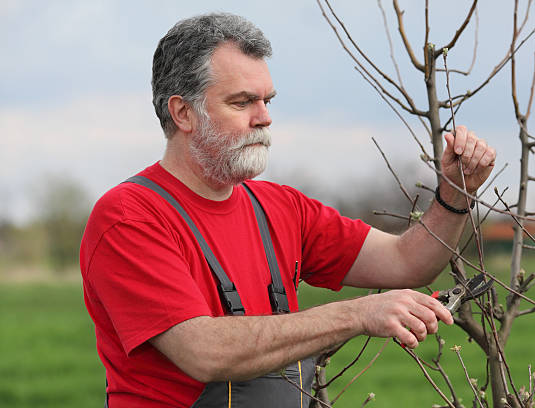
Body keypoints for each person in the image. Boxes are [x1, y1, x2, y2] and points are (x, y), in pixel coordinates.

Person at [80, 12, 496, 408]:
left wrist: (455, 192)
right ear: (183, 112)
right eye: (242, 102)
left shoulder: (279, 208)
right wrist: (356, 313)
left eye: (267, 101)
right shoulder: (130, 217)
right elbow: (203, 351)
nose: (264, 118)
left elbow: (407, 262)